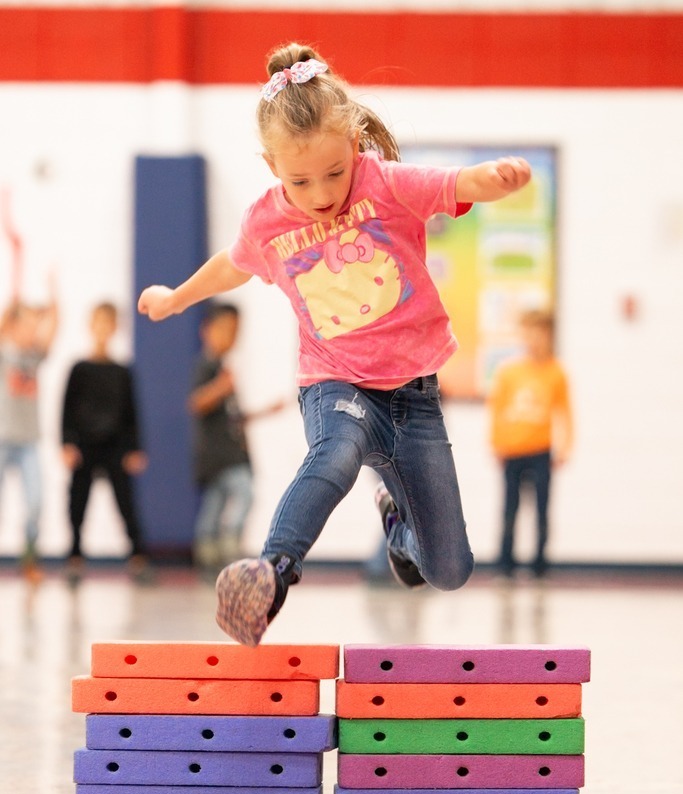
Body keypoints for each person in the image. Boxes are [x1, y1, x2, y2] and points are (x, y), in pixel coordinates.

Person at [138, 42, 531, 646]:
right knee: (337, 454)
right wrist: (176, 298)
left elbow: (455, 182)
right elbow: (231, 266)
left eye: (334, 173)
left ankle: (398, 529)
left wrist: (497, 179)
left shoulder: (386, 185)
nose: (320, 193)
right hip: (336, 383)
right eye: (300, 180)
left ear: (354, 146)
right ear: (272, 166)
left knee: (450, 570)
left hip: (415, 397)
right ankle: (271, 573)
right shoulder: (267, 221)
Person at [190, 303, 285, 573]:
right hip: (216, 454)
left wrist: (266, 411)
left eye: (235, 331)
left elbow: (234, 416)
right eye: (225, 330)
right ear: (207, 331)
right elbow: (196, 403)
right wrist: (221, 387)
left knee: (215, 505)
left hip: (230, 452)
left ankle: (211, 556)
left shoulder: (222, 367)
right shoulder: (207, 365)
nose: (231, 337)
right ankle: (225, 548)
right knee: (243, 493)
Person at [61, 302, 150, 582]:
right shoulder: (79, 369)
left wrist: (135, 448)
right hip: (84, 446)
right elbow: (66, 409)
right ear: (90, 325)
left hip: (115, 447)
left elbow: (131, 412)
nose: (102, 328)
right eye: (97, 322)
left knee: (126, 503)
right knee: (77, 503)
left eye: (107, 323)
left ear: (115, 328)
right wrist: (66, 443)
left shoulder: (121, 371)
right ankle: (75, 556)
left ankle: (138, 557)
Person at [488, 309, 573, 578]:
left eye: (540, 334)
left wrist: (565, 446)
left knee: (541, 510)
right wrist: (496, 443)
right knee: (510, 508)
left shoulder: (556, 373)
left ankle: (539, 563)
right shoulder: (509, 372)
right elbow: (498, 410)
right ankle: (505, 563)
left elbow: (565, 412)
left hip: (541, 451)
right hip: (513, 450)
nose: (534, 340)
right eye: (529, 334)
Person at [0, 291, 58, 582]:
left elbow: (52, 330)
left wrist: (53, 298)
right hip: (2, 438)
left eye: (35, 327)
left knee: (36, 502)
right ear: (14, 326)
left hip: (29, 442)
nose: (32, 333)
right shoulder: (4, 351)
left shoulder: (34, 357)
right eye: (27, 326)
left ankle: (29, 558)